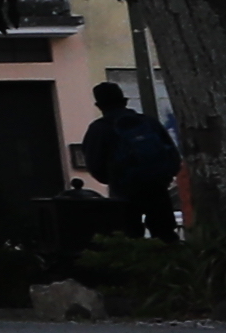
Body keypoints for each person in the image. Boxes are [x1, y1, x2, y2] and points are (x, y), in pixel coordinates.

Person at [76, 81, 185, 241]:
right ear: (124, 101)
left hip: (124, 189)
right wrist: (164, 177)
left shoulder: (99, 129)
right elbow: (172, 154)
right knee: (165, 233)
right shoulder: (148, 122)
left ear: (99, 105)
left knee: (129, 235)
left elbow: (95, 164)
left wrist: (113, 178)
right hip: (157, 187)